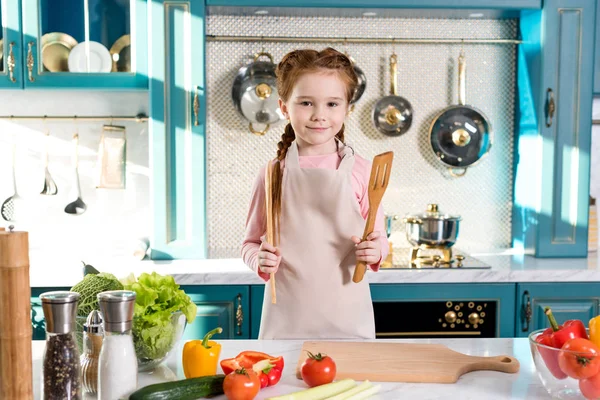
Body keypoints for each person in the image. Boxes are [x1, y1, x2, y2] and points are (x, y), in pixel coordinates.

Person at [241, 47, 389, 340]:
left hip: (348, 320)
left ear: (347, 108)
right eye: (306, 103)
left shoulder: (364, 172)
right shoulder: (272, 174)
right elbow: (249, 243)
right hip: (286, 322)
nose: (320, 115)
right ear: (284, 107)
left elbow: (379, 238)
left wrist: (375, 252)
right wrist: (258, 258)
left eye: (332, 104)